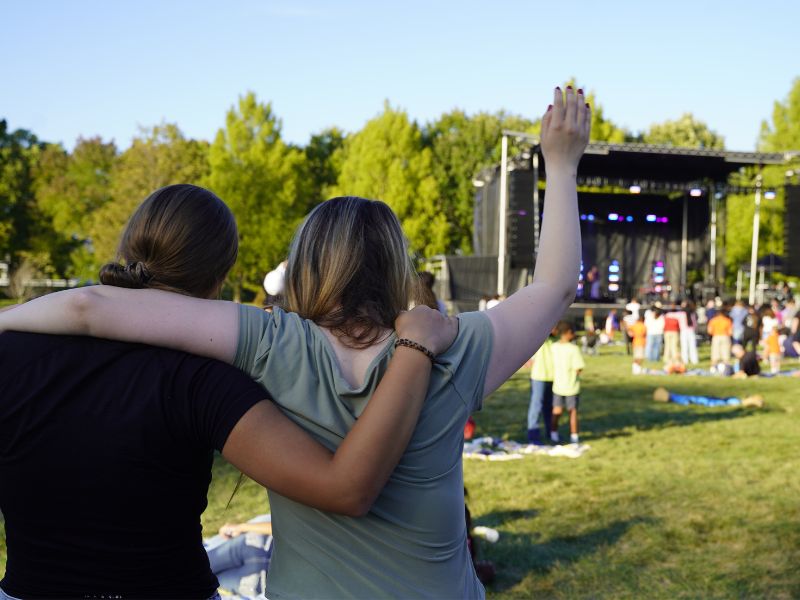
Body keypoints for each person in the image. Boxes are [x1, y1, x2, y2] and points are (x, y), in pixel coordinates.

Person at [0, 88, 591, 598]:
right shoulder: (454, 346)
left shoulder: (267, 342)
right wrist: (561, 167)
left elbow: (91, 306)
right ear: (397, 265)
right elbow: (555, 286)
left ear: (303, 266)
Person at [0, 185, 454, 598]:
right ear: (219, 275)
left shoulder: (12, 351)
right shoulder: (204, 377)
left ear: (128, 246)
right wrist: (414, 348)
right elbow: (343, 488)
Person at [549, 320, 585, 445]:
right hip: (571, 386)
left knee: (556, 411)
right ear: (569, 332)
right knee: (572, 412)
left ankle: (553, 435)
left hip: (557, 386)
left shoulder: (554, 347)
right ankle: (574, 438)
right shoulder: (573, 349)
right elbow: (578, 368)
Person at [528, 326, 556, 444]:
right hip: (539, 378)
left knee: (549, 407)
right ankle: (533, 435)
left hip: (552, 377)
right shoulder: (537, 340)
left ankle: (551, 432)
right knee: (537, 405)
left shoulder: (554, 341)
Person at [653, 387, 763, 408]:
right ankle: (746, 401)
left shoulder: (675, 398)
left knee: (722, 402)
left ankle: (746, 401)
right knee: (722, 401)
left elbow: (687, 401)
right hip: (702, 399)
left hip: (702, 401)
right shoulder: (675, 396)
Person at [708, 308, 733, 373]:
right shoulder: (727, 320)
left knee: (715, 355)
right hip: (725, 337)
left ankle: (712, 369)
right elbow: (730, 332)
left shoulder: (713, 320)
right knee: (726, 355)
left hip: (716, 337)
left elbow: (709, 331)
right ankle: (727, 370)